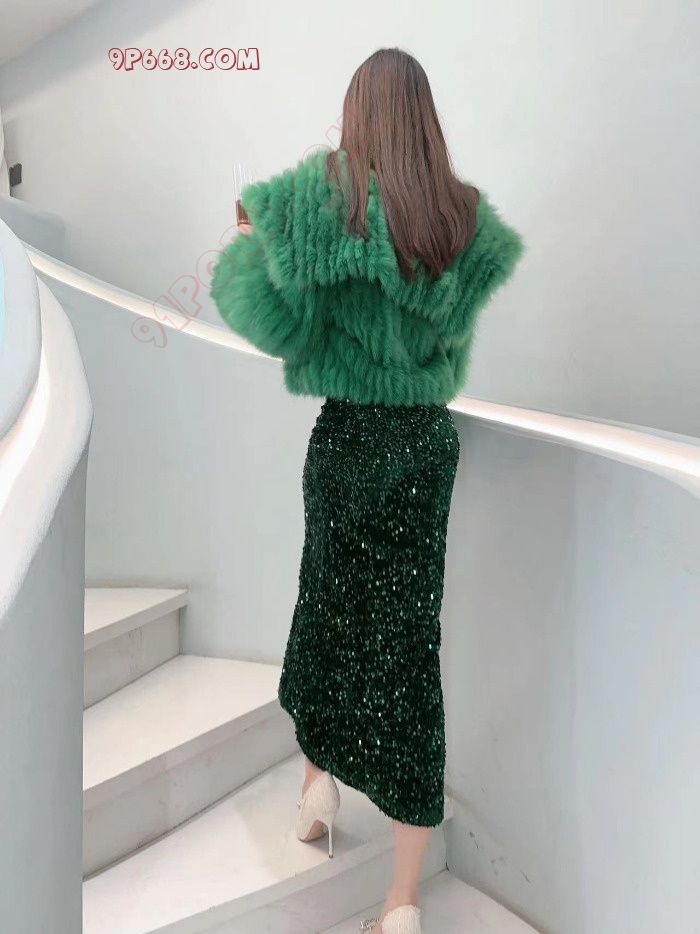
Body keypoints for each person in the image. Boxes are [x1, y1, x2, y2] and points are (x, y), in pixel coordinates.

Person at [211, 46, 523, 934]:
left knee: (326, 611)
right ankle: (402, 899)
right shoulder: (462, 220)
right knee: (406, 649)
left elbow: (275, 323)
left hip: (348, 440)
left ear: (358, 114)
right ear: (425, 117)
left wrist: (250, 247)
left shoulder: (327, 204)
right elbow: (451, 349)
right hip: (422, 447)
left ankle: (317, 789)